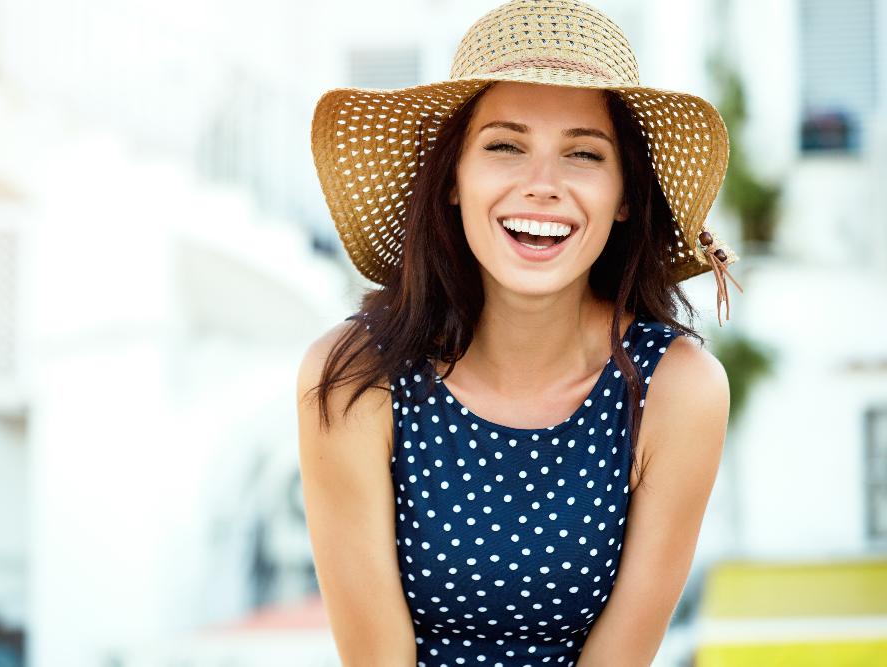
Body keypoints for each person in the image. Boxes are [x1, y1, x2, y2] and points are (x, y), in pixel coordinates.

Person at [297, 1, 740, 665]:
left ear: (623, 194)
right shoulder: (355, 376)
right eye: (505, 145)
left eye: (584, 154)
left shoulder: (678, 390)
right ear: (453, 178)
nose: (543, 186)